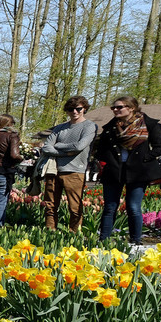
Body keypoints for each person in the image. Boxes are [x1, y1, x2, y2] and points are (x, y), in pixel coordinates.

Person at [95, 95, 161, 245]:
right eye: (113, 107)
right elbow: (100, 149)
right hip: (114, 170)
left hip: (138, 171)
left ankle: (136, 240)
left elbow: (160, 147)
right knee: (110, 207)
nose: (115, 110)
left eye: (119, 107)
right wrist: (106, 161)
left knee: (133, 207)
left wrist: (145, 158)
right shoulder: (110, 127)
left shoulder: (148, 125)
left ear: (131, 108)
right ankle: (103, 240)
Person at [38, 95, 98, 232]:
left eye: (78, 108)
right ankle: (50, 231)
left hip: (75, 171)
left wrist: (57, 146)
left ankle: (74, 233)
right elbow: (46, 147)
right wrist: (65, 152)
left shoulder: (89, 126)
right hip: (53, 170)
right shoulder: (59, 128)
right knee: (50, 205)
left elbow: (79, 146)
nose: (75, 112)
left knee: (74, 206)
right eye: (71, 109)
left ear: (84, 109)